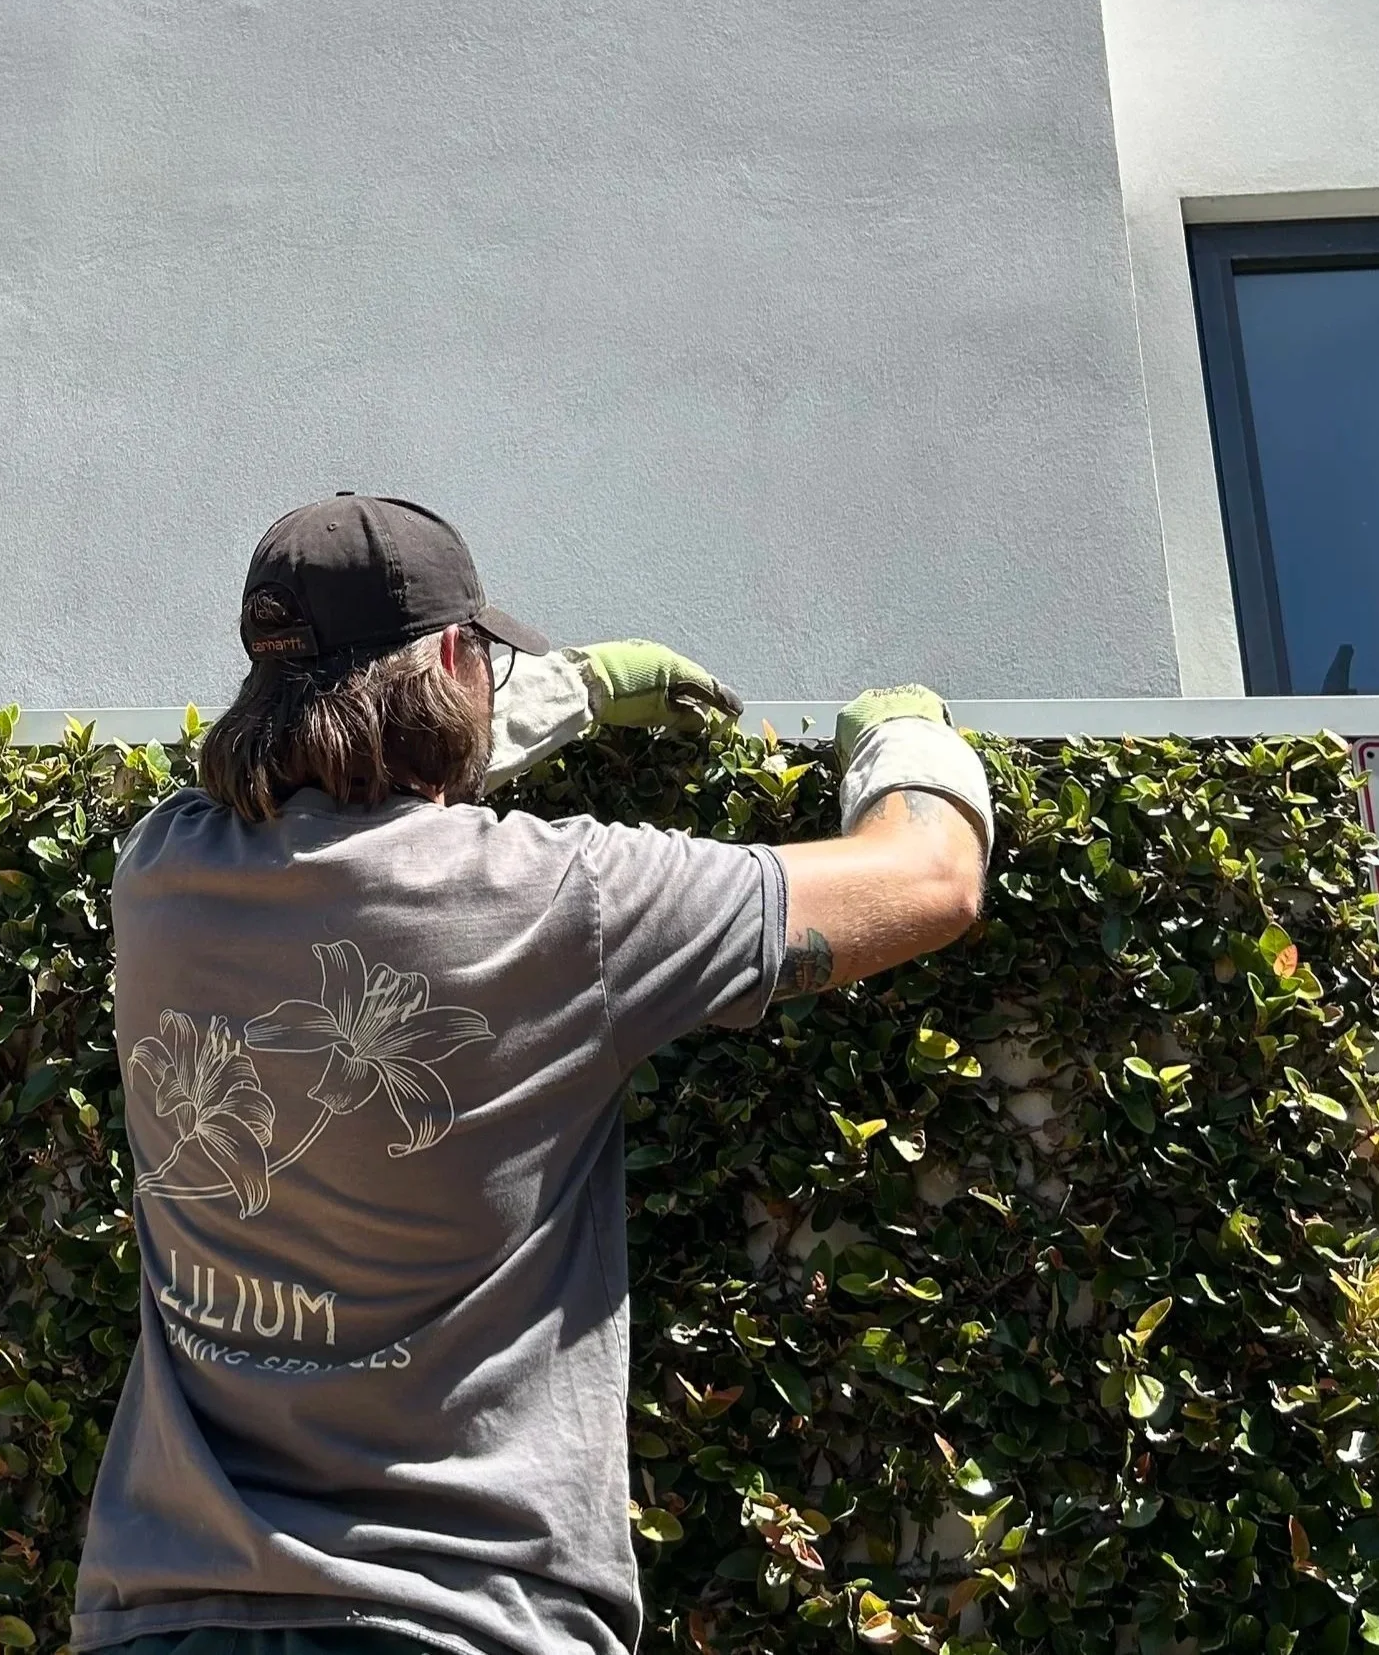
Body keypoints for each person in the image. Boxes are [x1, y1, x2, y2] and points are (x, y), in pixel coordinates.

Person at [72, 495, 993, 1655]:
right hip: (464, 1616)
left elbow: (328, 781)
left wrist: (570, 692)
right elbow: (928, 877)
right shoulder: (562, 903)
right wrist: (904, 741)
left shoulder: (159, 871)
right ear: (457, 663)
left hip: (162, 1619)